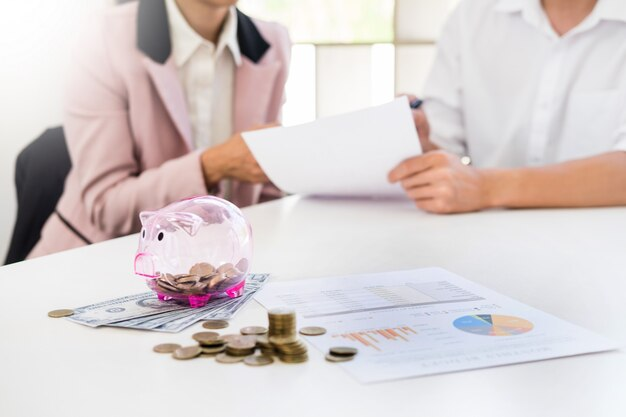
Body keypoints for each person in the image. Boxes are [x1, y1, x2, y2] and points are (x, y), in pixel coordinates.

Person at [29, 0, 290, 257]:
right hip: (97, 260)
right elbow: (107, 206)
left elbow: (267, 193)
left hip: (213, 269)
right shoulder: (105, 36)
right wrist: (212, 165)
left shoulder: (273, 42)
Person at [389, 0, 626, 213]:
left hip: (601, 247)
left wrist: (485, 188)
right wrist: (422, 145)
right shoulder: (472, 15)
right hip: (479, 238)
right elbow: (448, 148)